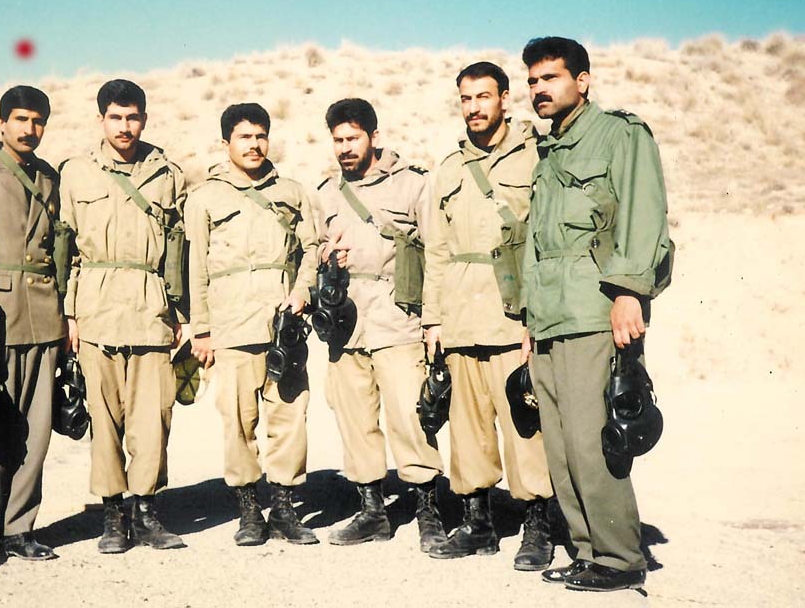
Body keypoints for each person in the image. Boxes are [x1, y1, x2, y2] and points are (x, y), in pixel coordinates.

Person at [520, 37, 673, 592]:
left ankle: (620, 557)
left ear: (582, 80)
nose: (539, 89)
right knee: (561, 445)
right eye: (532, 81)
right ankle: (587, 551)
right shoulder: (549, 151)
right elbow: (537, 244)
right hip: (549, 315)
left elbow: (643, 215)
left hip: (594, 309)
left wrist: (630, 293)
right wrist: (529, 319)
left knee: (593, 440)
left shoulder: (619, 135)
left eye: (551, 78)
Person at [422, 62, 554, 569]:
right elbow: (436, 250)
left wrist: (536, 319)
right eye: (466, 98)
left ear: (504, 99)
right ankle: (478, 524)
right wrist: (433, 319)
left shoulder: (535, 156)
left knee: (525, 427)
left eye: (483, 96)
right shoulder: (448, 168)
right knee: (467, 429)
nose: (474, 107)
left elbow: (545, 241)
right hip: (460, 316)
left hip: (511, 315)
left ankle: (537, 527)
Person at [59, 79, 187, 553]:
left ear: (144, 120)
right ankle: (113, 514)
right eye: (115, 117)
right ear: (101, 120)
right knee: (104, 417)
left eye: (132, 117)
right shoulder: (76, 173)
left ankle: (147, 511)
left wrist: (181, 312)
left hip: (151, 306)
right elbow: (66, 248)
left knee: (153, 417)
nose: (124, 126)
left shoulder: (167, 174)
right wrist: (69, 315)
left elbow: (179, 247)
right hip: (96, 307)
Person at [186, 103, 319, 547]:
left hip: (283, 325)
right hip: (231, 325)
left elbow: (311, 249)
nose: (255, 144)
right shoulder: (205, 197)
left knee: (289, 416)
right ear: (226, 142)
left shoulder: (292, 192)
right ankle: (248, 509)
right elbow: (195, 267)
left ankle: (283, 507)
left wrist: (302, 291)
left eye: (261, 135)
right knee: (238, 421)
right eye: (244, 136)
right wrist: (202, 329)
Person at [314, 98, 445, 551]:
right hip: (347, 321)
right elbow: (313, 249)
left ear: (374, 137)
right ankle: (372, 511)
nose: (345, 148)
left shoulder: (412, 184)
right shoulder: (327, 193)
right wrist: (327, 257)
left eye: (353, 138)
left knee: (410, 416)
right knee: (355, 418)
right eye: (338, 140)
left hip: (397, 316)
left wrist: (433, 319)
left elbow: (437, 253)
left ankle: (428, 510)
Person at [0, 85, 65, 568]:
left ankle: (22, 528)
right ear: (2, 122)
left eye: (38, 120)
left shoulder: (49, 177)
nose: (30, 128)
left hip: (44, 314)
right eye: (21, 119)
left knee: (35, 431)